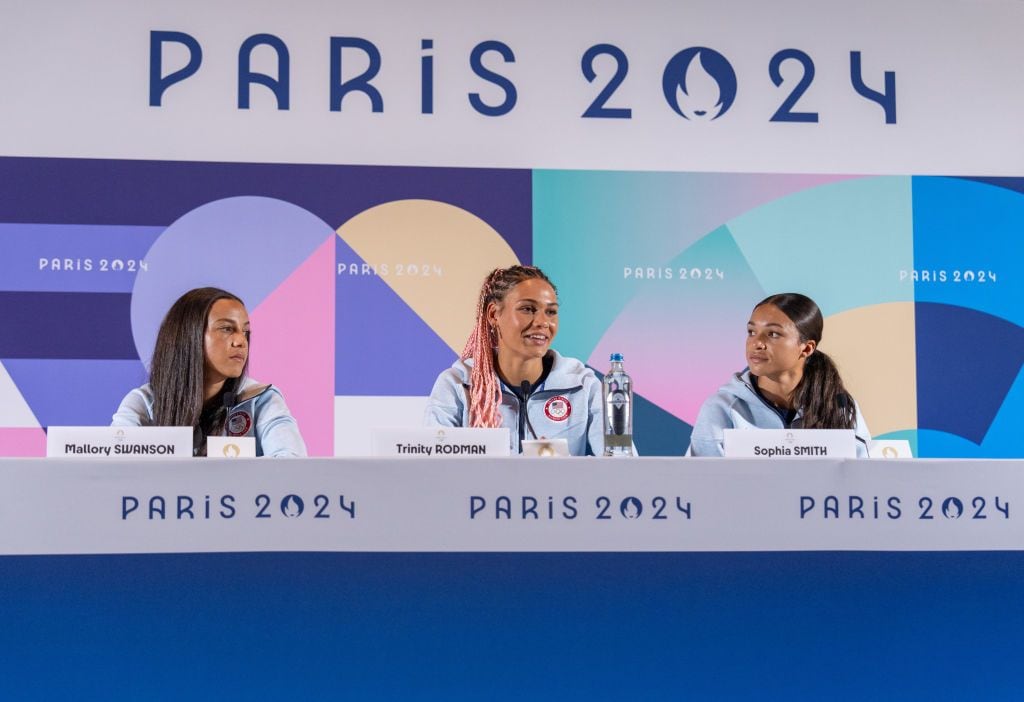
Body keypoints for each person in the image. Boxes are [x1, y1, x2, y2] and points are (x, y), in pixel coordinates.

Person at [424, 265, 605, 455]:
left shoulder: (583, 385)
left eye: (551, 312)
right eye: (528, 309)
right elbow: (432, 469)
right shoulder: (458, 384)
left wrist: (562, 470)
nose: (543, 322)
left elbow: (621, 467)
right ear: (494, 314)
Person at [112, 287, 306, 457]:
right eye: (227, 329)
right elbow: (114, 467)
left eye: (245, 331)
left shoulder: (261, 399)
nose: (241, 341)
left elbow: (292, 464)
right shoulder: (145, 402)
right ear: (188, 337)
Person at [688, 292, 871, 457]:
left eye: (773, 334)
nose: (756, 343)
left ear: (806, 348)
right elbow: (702, 484)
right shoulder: (723, 408)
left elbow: (865, 477)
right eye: (751, 332)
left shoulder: (839, 405)